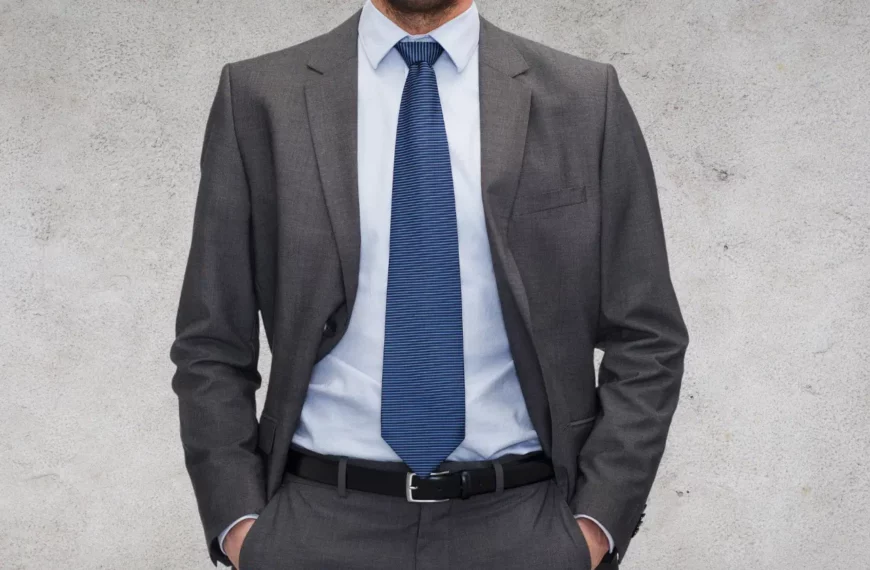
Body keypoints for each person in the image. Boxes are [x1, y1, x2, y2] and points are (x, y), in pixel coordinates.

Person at [170, 0, 689, 568]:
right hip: (315, 527)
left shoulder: (585, 98)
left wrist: (596, 523)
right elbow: (211, 338)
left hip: (521, 526)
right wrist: (240, 525)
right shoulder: (259, 95)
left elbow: (646, 334)